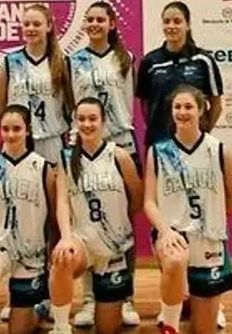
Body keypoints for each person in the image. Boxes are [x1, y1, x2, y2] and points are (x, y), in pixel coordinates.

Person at [144, 85, 232, 334]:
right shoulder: (158, 151)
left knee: (204, 329)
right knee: (175, 261)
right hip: (174, 235)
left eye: (188, 106)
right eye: (177, 107)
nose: (182, 112)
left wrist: (211, 216)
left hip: (209, 239)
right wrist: (166, 230)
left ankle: (196, 302)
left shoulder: (220, 151)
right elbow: (149, 202)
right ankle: (169, 323)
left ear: (201, 110)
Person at [66, 1, 141, 327]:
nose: (94, 24)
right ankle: (89, 298)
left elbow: (132, 102)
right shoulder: (73, 61)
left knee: (123, 223)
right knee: (86, 222)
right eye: (90, 19)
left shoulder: (126, 58)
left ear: (112, 23)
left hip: (120, 144)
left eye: (100, 19)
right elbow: (70, 102)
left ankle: (125, 296)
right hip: (85, 145)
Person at [47, 98, 142, 334]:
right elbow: (62, 202)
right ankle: (61, 327)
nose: (87, 124)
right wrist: (66, 238)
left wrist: (117, 225)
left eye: (92, 119)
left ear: (103, 122)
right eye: (81, 119)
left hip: (114, 247)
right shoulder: (66, 158)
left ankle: (118, 301)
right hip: (82, 242)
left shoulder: (119, 156)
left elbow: (137, 199)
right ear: (75, 123)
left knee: (107, 328)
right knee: (62, 259)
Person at [0, 105, 57, 334]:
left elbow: (53, 219)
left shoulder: (43, 168)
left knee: (19, 329)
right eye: (5, 129)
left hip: (30, 254)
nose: (11, 134)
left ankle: (39, 309)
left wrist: (51, 258)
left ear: (28, 130)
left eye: (17, 129)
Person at [136, 1, 224, 149]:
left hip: (194, 143)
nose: (171, 26)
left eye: (177, 21)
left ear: (187, 25)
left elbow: (216, 104)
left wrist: (203, 132)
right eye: (166, 22)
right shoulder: (150, 61)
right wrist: (157, 128)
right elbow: (145, 104)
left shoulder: (203, 60)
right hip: (159, 142)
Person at [0, 4, 73, 167]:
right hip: (17, 139)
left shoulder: (61, 62)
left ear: (48, 26)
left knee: (53, 183)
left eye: (36, 24)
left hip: (51, 139)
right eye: (26, 24)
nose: (31, 28)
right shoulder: (10, 61)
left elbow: (71, 104)